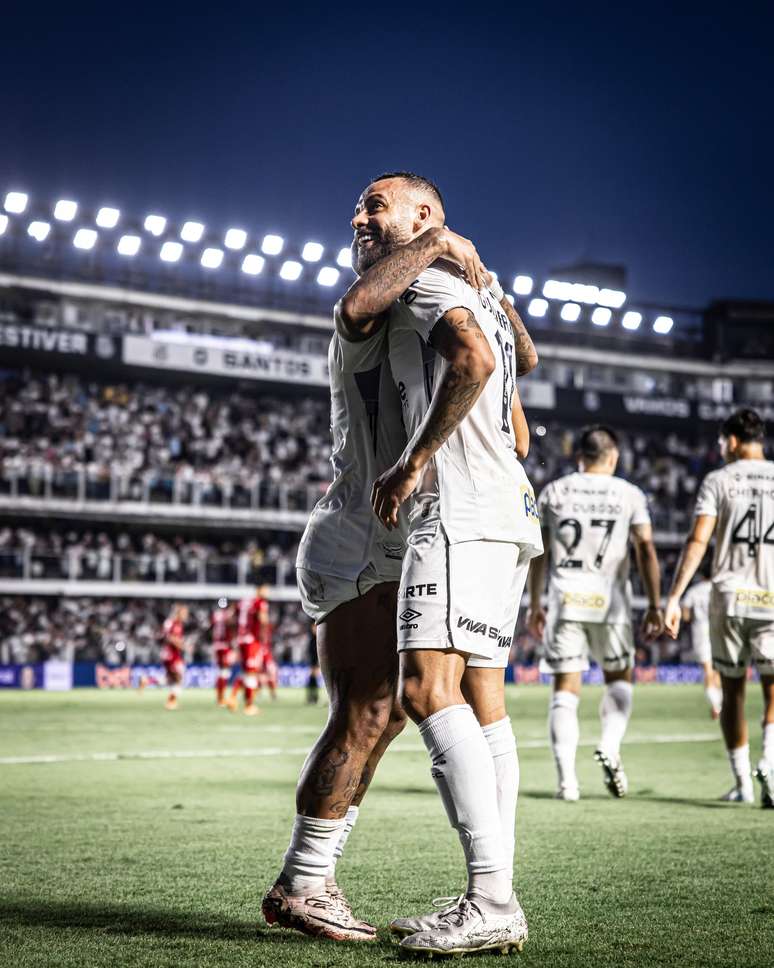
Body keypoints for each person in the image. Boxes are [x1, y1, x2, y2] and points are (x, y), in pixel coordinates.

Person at [336, 171, 540, 955]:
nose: (359, 216)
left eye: (374, 205)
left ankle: (491, 900)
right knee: (482, 695)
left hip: (456, 510)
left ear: (425, 217)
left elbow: (476, 362)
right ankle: (493, 894)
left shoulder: (422, 283)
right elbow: (520, 414)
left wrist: (414, 459)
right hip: (507, 508)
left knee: (424, 687)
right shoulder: (473, 290)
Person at [526, 425, 664, 801]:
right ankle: (609, 743)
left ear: (579, 456)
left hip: (566, 599)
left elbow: (540, 552)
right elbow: (646, 550)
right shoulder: (629, 494)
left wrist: (535, 603)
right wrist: (655, 604)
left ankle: (566, 783)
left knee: (564, 691)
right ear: (614, 457)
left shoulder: (555, 490)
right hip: (611, 602)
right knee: (619, 676)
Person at [665, 408, 774, 807]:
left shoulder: (718, 480)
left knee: (733, 691)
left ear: (731, 440)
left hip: (729, 598)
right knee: (772, 689)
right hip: (773, 597)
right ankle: (770, 764)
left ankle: (743, 783)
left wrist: (674, 597)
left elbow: (698, 541)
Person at [681, 572, 723, 719]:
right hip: (719, 629)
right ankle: (721, 703)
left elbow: (685, 614)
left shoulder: (694, 590)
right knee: (718, 669)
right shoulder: (719, 587)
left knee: (708, 671)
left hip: (701, 630)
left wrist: (691, 617)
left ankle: (716, 705)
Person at [229, 590, 271, 715]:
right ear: (260, 589)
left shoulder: (242, 602)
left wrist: (235, 636)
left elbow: (231, 618)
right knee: (251, 673)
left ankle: (233, 696)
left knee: (247, 672)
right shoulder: (259, 602)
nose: (268, 591)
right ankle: (249, 705)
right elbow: (263, 620)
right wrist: (264, 637)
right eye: (266, 588)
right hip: (252, 640)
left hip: (241, 640)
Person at [160, 604, 189, 711]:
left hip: (171, 653)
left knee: (172, 679)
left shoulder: (174, 623)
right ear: (179, 613)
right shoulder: (173, 623)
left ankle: (149, 681)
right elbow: (170, 638)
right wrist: (183, 646)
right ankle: (171, 701)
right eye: (184, 613)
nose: (186, 616)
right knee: (178, 676)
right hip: (171, 654)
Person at [212, 600, 237, 707]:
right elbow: (230, 624)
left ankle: (220, 696)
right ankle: (220, 698)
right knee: (224, 672)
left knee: (223, 672)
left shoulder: (216, 615)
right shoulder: (227, 615)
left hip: (217, 645)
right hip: (224, 646)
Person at [305, 621, 320, 705]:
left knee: (313, 679)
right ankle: (312, 698)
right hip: (313, 662)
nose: (316, 629)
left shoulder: (316, 640)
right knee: (312, 679)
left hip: (315, 662)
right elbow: (311, 653)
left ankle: (313, 698)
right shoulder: (312, 641)